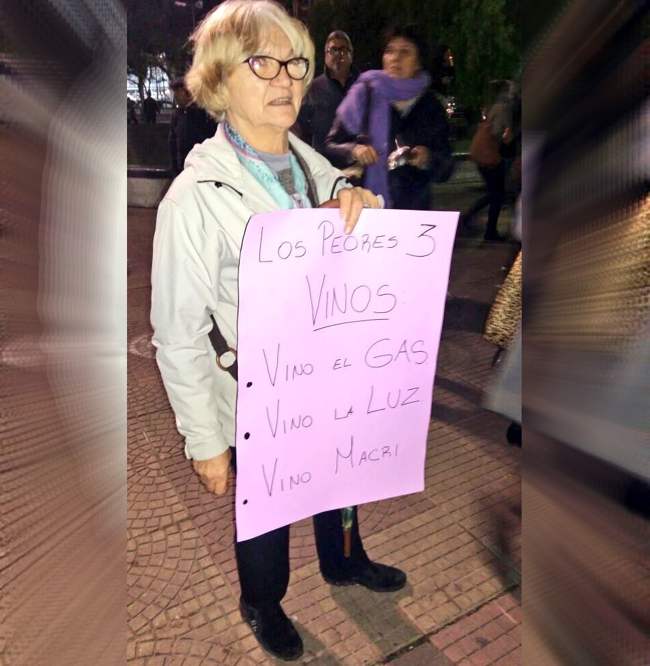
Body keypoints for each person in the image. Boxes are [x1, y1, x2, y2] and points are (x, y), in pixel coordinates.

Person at [150, 1, 405, 661]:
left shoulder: (312, 165)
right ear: (218, 79)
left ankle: (344, 560)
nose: (286, 78)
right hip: (256, 392)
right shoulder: (196, 197)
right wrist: (205, 441)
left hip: (330, 374)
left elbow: (358, 252)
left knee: (341, 479)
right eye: (262, 63)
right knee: (266, 513)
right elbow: (177, 333)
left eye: (295, 62)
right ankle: (262, 601)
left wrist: (360, 198)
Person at [325, 24, 453, 210]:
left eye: (405, 52)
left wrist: (428, 159)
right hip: (367, 208)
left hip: (414, 213)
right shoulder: (365, 94)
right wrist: (354, 150)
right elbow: (330, 146)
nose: (395, 58)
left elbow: (446, 167)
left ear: (418, 62)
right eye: (390, 51)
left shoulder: (430, 105)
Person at [464, 79, 520, 240]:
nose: (514, 91)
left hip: (483, 154)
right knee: (497, 194)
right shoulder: (503, 107)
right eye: (511, 89)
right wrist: (510, 136)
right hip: (490, 156)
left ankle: (473, 221)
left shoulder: (495, 106)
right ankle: (489, 231)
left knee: (495, 193)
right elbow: (498, 133)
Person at [295, 30, 358, 156]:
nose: (338, 54)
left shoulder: (364, 86)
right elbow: (299, 129)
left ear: (351, 54)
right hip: (324, 164)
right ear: (325, 55)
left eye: (343, 50)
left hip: (363, 162)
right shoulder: (312, 90)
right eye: (333, 50)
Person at [168, 78, 218, 175]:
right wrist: (174, 165)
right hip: (182, 166)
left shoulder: (204, 113)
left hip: (200, 167)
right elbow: (172, 140)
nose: (176, 97)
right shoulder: (177, 115)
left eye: (178, 93)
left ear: (188, 93)